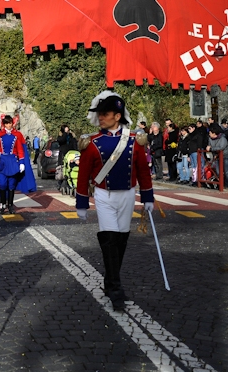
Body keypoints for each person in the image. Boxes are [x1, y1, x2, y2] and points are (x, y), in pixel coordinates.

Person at [76, 91, 154, 311]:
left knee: (121, 239)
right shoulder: (91, 143)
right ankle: (116, 289)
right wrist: (82, 203)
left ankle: (110, 282)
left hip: (128, 194)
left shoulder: (134, 140)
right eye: (100, 114)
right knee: (109, 238)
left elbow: (143, 172)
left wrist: (147, 196)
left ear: (117, 116)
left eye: (105, 114)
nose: (100, 117)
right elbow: (83, 175)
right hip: (103, 195)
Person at [0, 115, 36, 214]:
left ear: (12, 123)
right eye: (6, 123)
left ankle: (10, 205)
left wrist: (22, 163)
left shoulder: (17, 135)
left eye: (10, 123)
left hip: (13, 162)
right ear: (4, 124)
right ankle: (2, 204)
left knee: (11, 184)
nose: (8, 125)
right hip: (2, 162)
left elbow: (20, 149)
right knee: (2, 183)